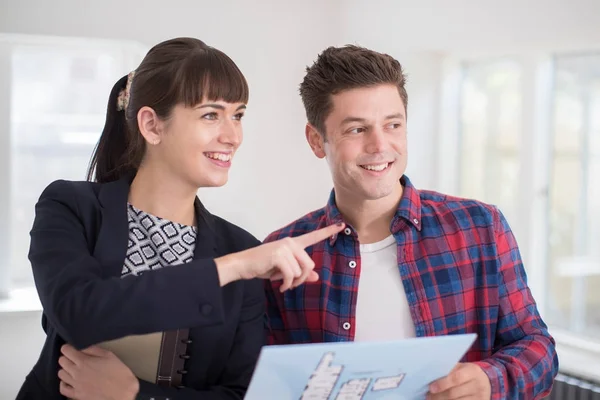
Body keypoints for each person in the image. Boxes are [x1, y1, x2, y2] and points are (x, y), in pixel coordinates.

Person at [17, 37, 344, 400]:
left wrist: (137, 396)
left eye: (238, 115)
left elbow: (240, 395)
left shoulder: (243, 250)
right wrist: (230, 268)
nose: (232, 135)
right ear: (152, 126)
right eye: (210, 115)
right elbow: (78, 312)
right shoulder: (71, 207)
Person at [263, 45, 559, 399]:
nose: (380, 145)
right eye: (357, 129)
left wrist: (489, 380)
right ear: (316, 140)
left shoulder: (481, 227)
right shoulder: (283, 253)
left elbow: (538, 348)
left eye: (393, 125)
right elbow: (266, 380)